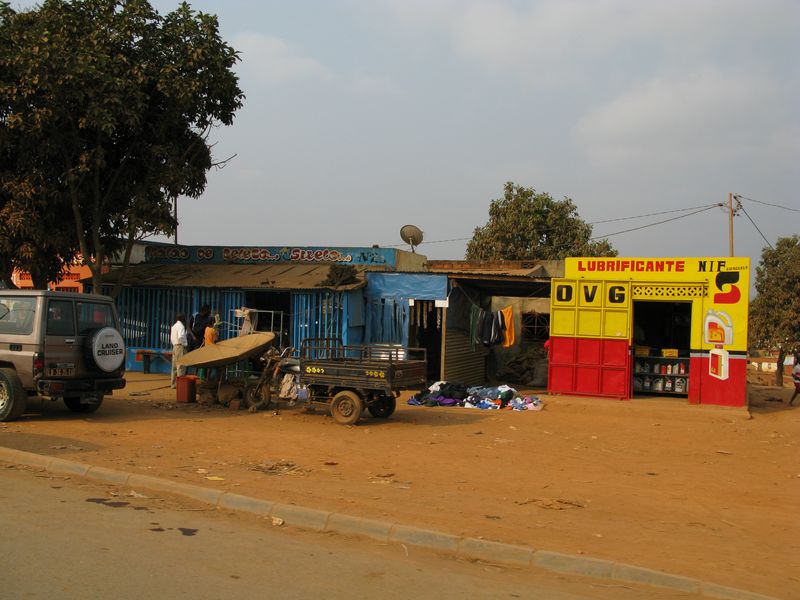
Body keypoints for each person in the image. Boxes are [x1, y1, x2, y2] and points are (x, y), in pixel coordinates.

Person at [170, 312, 189, 389]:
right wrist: (185, 344)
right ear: (182, 318)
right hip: (180, 347)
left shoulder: (174, 326)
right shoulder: (181, 326)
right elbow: (181, 337)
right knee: (181, 366)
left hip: (174, 346)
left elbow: (171, 338)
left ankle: (173, 384)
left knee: (174, 366)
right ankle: (180, 385)